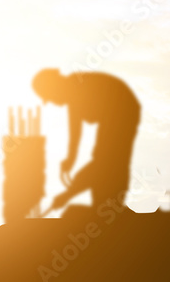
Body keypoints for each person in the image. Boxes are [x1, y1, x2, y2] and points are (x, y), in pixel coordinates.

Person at [31, 69, 140, 213]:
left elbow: (99, 164)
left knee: (109, 161)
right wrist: (70, 159)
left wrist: (66, 195)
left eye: (49, 97)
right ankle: (105, 204)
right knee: (106, 161)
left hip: (122, 110)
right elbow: (75, 134)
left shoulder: (77, 89)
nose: (52, 102)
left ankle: (110, 205)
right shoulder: (72, 92)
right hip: (115, 114)